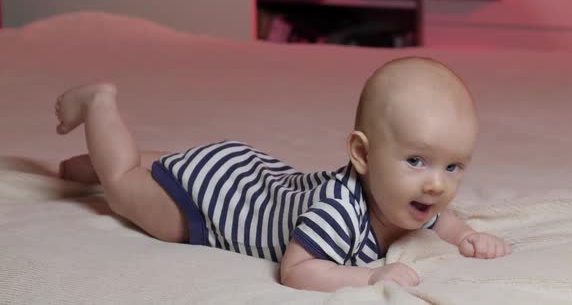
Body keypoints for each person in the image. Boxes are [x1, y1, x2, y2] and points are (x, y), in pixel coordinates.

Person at [55, 57, 511, 292]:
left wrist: (468, 236)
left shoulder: (413, 198)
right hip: (210, 204)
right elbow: (297, 271)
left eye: (454, 167)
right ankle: (99, 104)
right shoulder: (338, 212)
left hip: (247, 173)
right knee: (122, 186)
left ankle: (100, 162)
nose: (437, 184)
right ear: (361, 155)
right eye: (416, 160)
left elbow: (441, 219)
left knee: (149, 168)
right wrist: (370, 278)